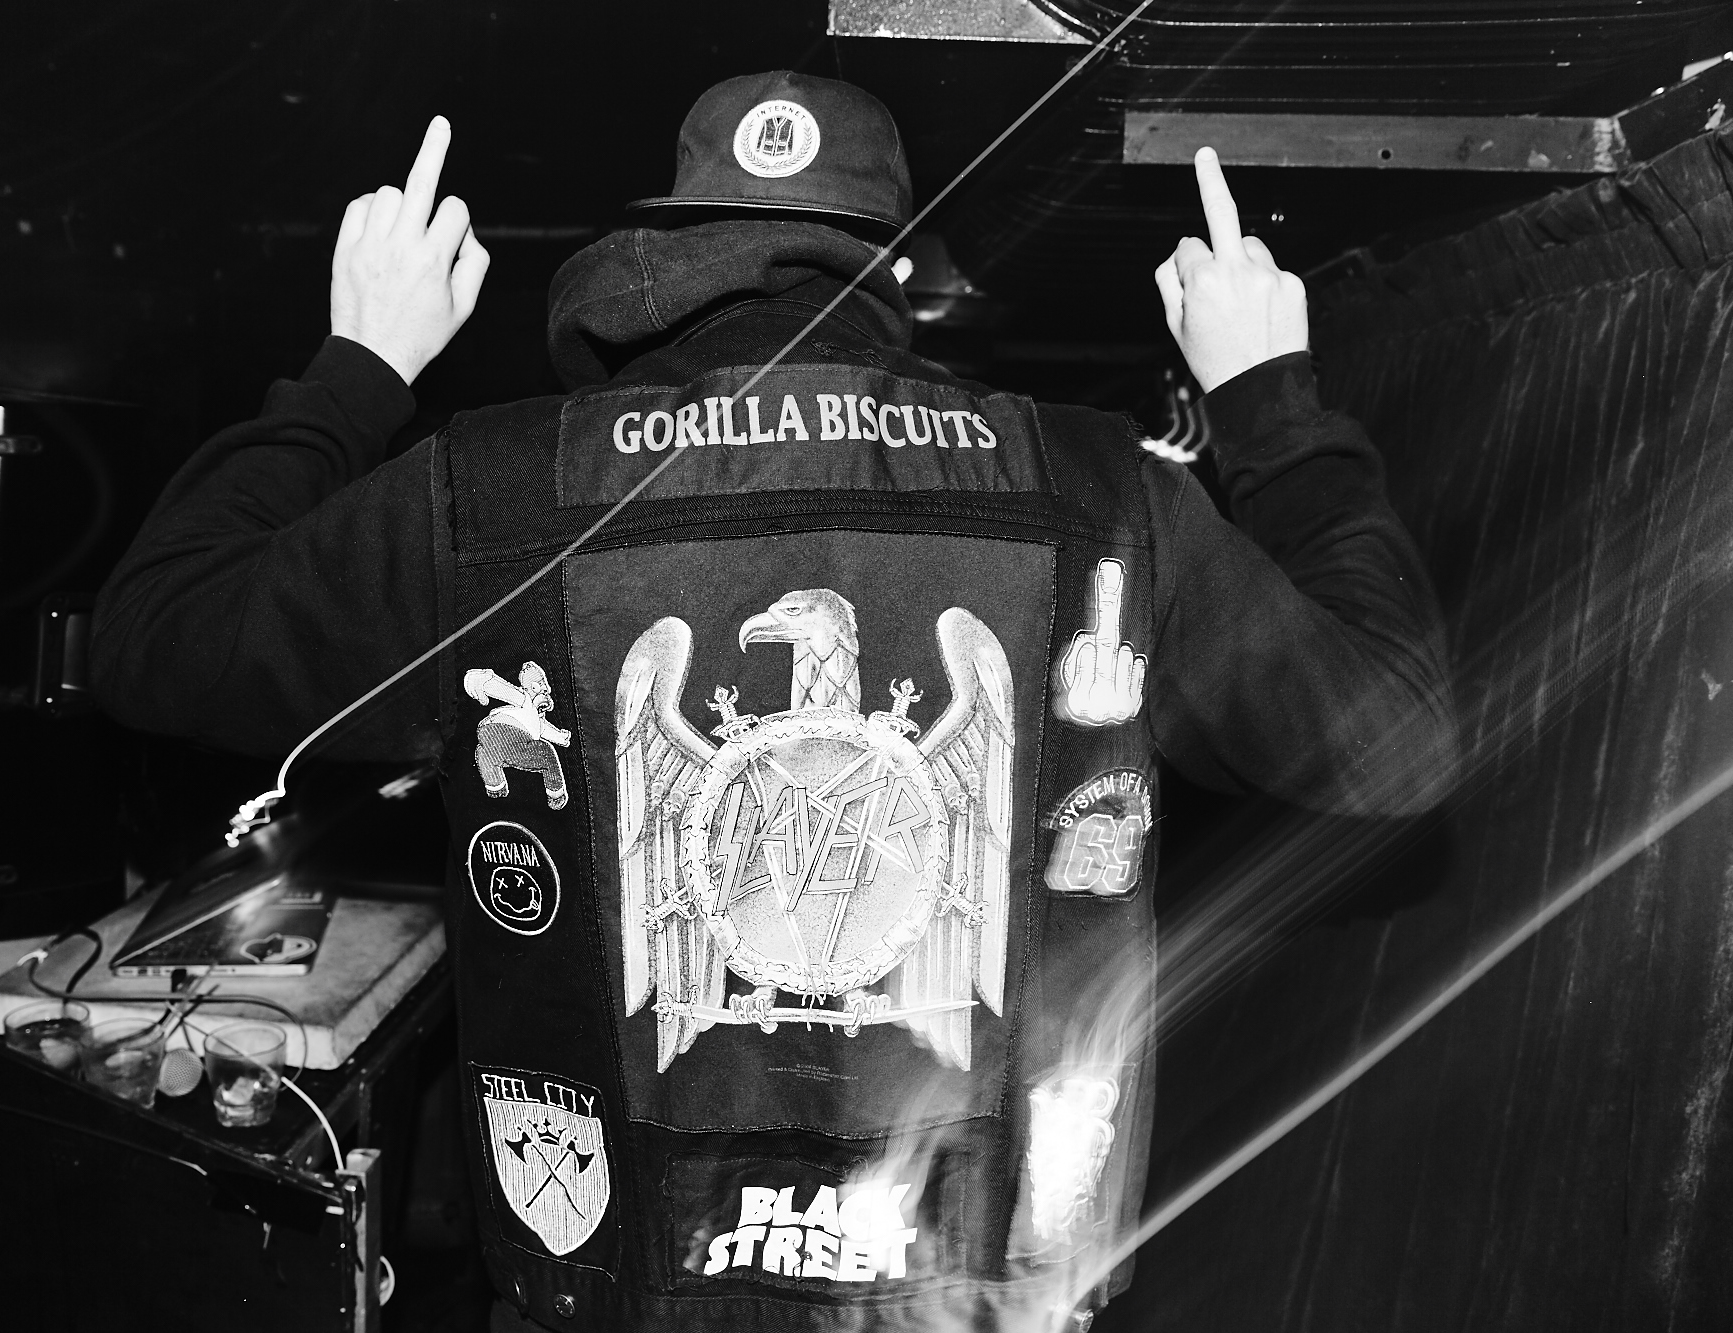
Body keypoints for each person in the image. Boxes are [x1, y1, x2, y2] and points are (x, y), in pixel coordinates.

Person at [92, 71, 1456, 1332]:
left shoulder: (493, 499)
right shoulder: (1103, 498)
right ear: (894, 269)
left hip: (615, 1287)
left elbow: (153, 636)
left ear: (670, 253)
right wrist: (1268, 402)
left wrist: (361, 366)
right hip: (976, 1295)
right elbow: (1397, 743)